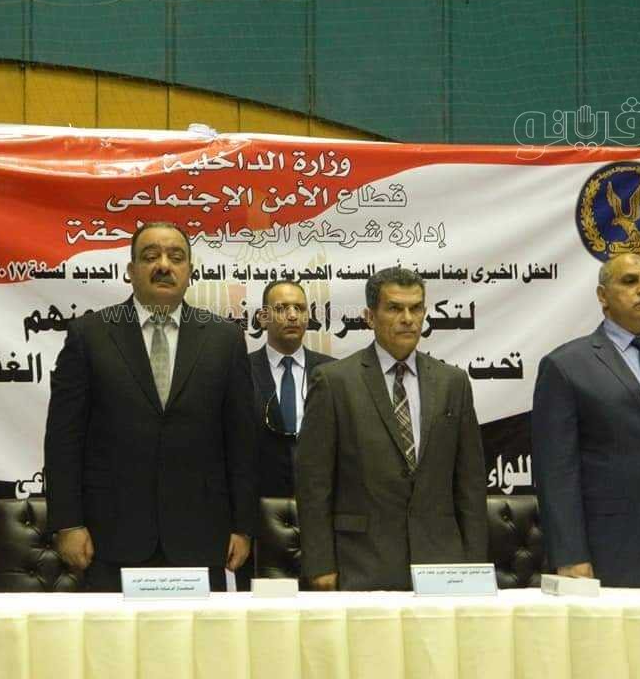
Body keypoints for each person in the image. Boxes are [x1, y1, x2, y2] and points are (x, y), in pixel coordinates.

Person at [45, 221, 256, 591]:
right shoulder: (89, 335)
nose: (163, 265)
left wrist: (243, 526)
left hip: (202, 535)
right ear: (130, 271)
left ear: (190, 271)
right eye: (150, 256)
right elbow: (64, 439)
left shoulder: (224, 339)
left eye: (176, 257)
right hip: (109, 536)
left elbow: (241, 442)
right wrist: (68, 523)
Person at [296, 266, 487, 590]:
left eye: (416, 308)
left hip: (442, 562)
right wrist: (320, 564)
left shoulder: (453, 383)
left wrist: (475, 564)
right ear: (370, 317)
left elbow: (470, 483)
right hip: (360, 562)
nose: (407, 318)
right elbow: (314, 484)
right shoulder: (334, 382)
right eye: (395, 308)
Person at [531, 253, 640, 586]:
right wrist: (570, 555)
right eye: (630, 281)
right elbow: (556, 472)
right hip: (611, 555)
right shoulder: (567, 366)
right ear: (602, 296)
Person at [250, 280, 334, 498]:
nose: (293, 315)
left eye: (300, 308)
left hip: (321, 498)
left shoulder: (333, 371)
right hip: (259, 499)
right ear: (263, 317)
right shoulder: (240, 370)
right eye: (281, 308)